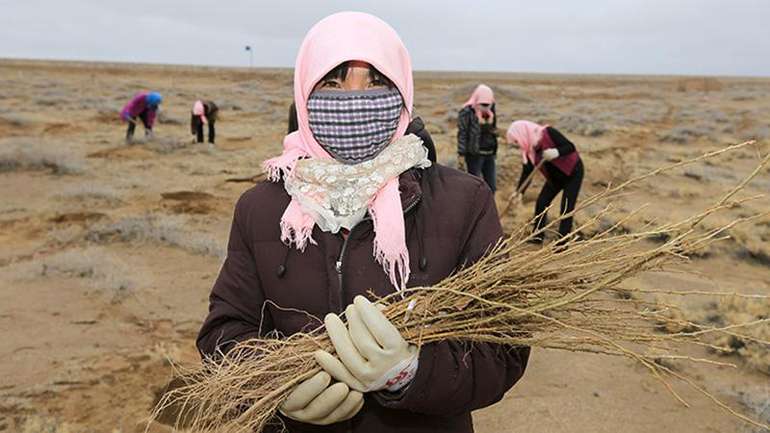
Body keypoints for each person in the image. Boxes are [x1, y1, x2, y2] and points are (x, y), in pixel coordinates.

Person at [197, 12, 529, 433]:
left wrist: (413, 372)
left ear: (403, 91)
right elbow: (224, 332)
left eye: (376, 83)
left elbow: (503, 348)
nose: (355, 100)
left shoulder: (464, 202)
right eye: (332, 84)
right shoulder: (261, 208)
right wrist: (271, 385)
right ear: (303, 95)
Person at [506, 120, 584, 244]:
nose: (517, 144)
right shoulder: (529, 151)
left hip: (572, 172)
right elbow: (527, 172)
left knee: (566, 207)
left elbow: (570, 146)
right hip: (555, 178)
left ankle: (563, 242)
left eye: (516, 141)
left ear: (522, 134)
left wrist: (556, 152)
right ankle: (538, 236)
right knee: (542, 202)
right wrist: (519, 192)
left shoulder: (548, 132)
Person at [457, 84, 498, 192]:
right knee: (475, 187)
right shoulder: (467, 112)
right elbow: (463, 133)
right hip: (474, 154)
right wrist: (461, 153)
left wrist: (489, 123)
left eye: (488, 104)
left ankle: (489, 208)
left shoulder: (491, 110)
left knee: (491, 187)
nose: (485, 107)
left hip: (489, 153)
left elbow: (493, 131)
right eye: (482, 104)